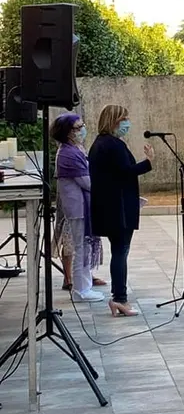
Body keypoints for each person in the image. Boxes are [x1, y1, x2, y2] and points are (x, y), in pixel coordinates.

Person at [89, 105, 154, 317]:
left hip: (109, 207)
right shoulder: (113, 145)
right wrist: (148, 162)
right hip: (118, 209)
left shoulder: (100, 144)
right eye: (124, 119)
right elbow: (125, 172)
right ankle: (120, 299)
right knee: (120, 252)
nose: (127, 123)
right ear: (115, 121)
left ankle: (119, 298)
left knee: (118, 251)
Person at [51, 114, 105, 303]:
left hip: (83, 206)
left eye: (82, 125)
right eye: (78, 127)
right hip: (78, 207)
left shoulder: (75, 149)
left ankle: (85, 286)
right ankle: (81, 290)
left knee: (85, 247)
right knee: (81, 248)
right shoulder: (68, 153)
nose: (82, 129)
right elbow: (86, 182)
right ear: (67, 132)